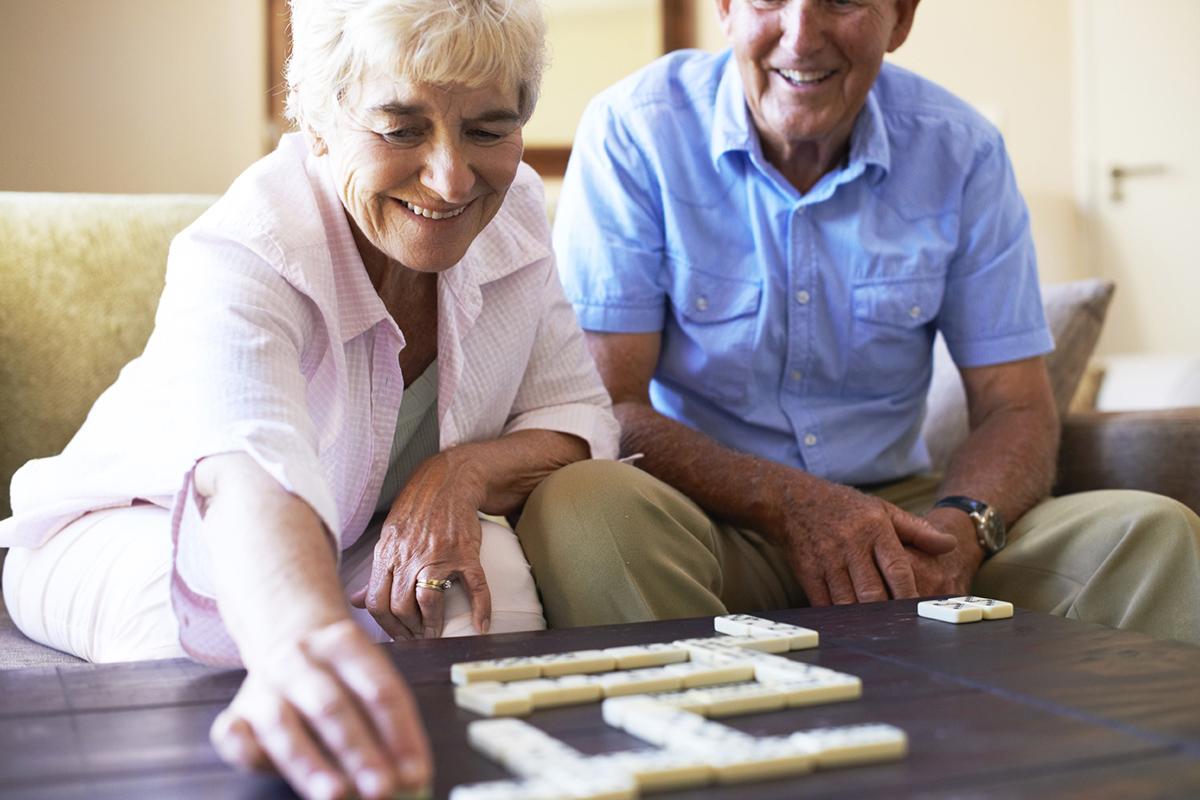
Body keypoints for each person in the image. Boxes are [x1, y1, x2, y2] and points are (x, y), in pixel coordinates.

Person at [0, 1, 618, 797]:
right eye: (401, 129)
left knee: (485, 591)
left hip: (352, 533)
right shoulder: (248, 245)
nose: (451, 177)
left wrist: (457, 476)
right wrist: (301, 633)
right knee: (222, 645)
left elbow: (576, 414)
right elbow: (249, 470)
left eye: (488, 130)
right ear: (320, 121)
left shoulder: (517, 211)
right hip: (125, 524)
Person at [523, 0, 1200, 643]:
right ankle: (719, 746)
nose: (801, 35)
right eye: (769, 3)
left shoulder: (963, 150)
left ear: (901, 17)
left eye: (842, 2)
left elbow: (1015, 407)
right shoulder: (635, 128)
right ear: (726, 9)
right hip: (708, 517)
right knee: (581, 510)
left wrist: (958, 532)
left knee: (1150, 532)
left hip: (905, 519)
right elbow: (610, 405)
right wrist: (793, 507)